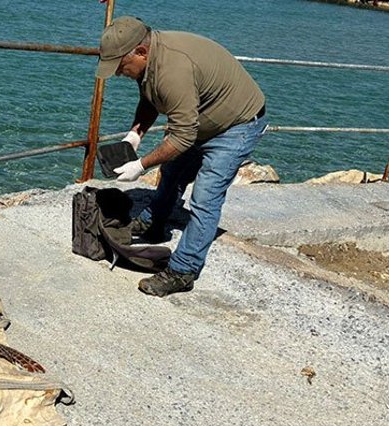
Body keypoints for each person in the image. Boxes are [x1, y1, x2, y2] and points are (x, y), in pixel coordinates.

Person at [96, 16, 268, 297]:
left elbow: (183, 136)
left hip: (237, 125)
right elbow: (151, 97)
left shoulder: (173, 69)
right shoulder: (151, 61)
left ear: (140, 52)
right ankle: (154, 222)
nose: (117, 73)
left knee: (206, 199)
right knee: (173, 172)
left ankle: (183, 270)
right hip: (201, 120)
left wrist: (141, 165)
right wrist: (135, 134)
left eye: (119, 66)